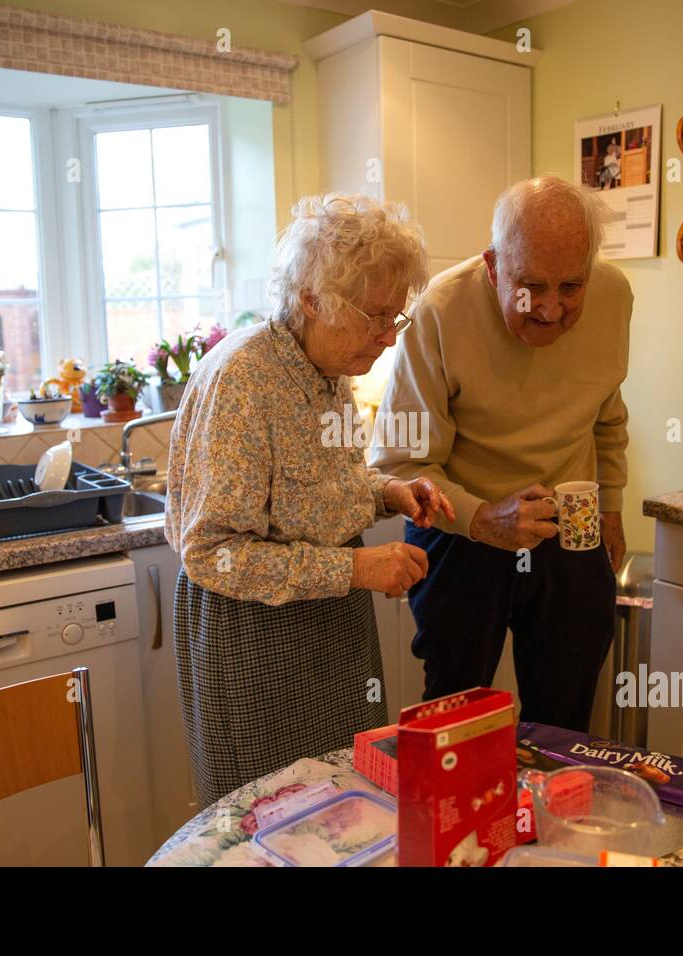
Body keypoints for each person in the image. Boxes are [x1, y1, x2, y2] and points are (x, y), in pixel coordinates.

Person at [164, 193, 455, 805]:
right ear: (310, 299)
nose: (386, 338)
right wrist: (355, 567)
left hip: (329, 627)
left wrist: (390, 493)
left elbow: (322, 490)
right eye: (374, 316)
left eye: (394, 319)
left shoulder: (329, 371)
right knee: (264, 822)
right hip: (252, 642)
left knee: (339, 811)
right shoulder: (243, 379)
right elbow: (213, 554)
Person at [368, 175, 633, 732]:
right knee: (454, 715)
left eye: (571, 286)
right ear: (493, 266)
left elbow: (607, 414)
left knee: (566, 712)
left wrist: (612, 506)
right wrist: (484, 518)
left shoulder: (615, 297)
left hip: (568, 523)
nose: (551, 309)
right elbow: (403, 463)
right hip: (458, 525)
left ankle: (551, 813)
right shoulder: (439, 311)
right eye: (531, 286)